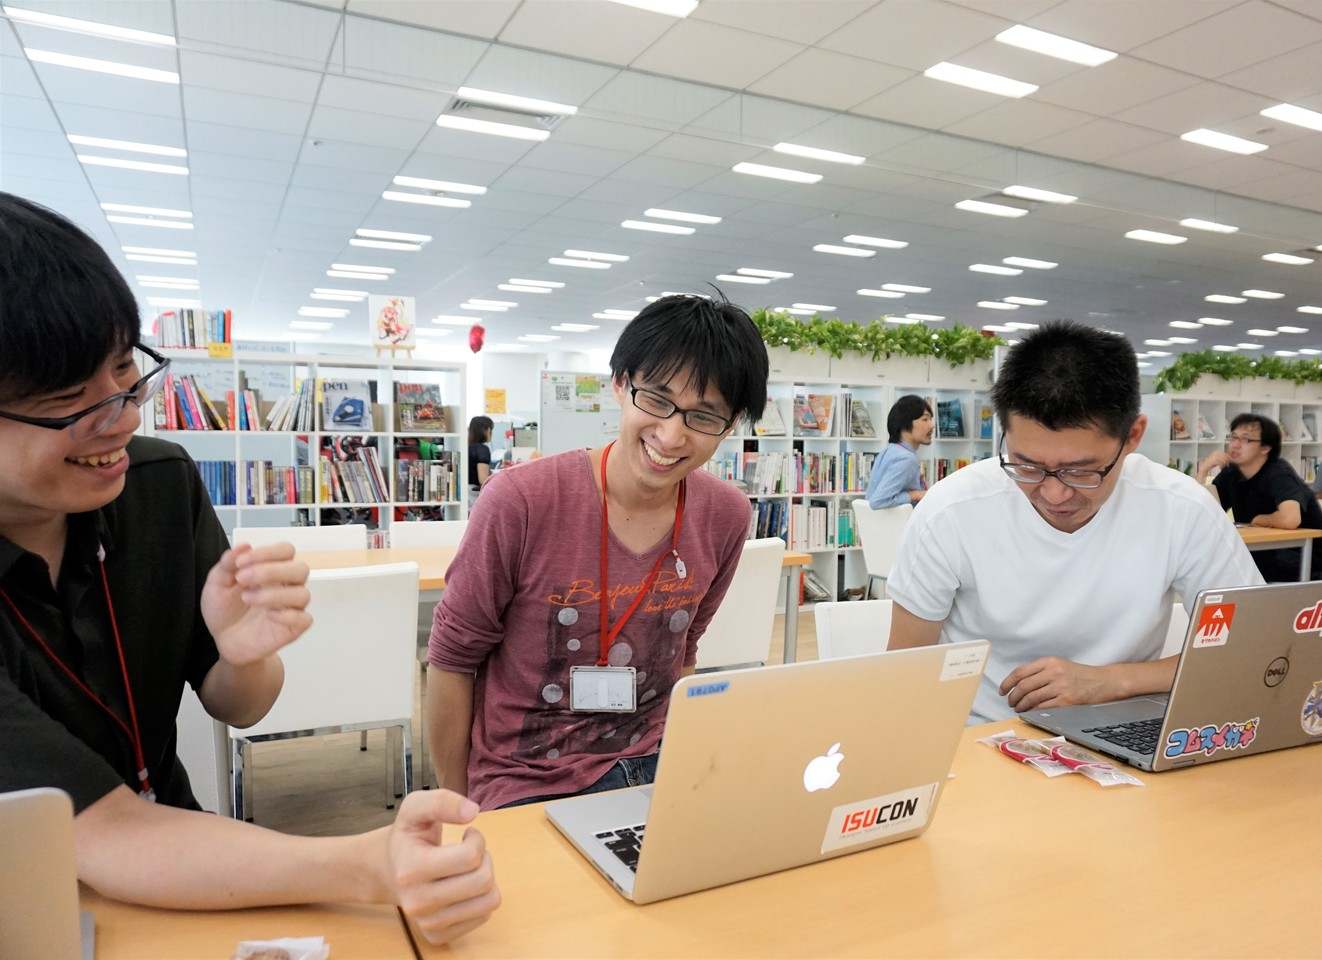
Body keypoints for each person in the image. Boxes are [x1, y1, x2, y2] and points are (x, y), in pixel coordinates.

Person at [0, 193, 499, 945]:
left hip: (187, 858)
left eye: (126, 372)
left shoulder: (157, 485)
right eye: (71, 400)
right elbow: (100, 831)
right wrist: (369, 864)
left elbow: (242, 706)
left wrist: (244, 654)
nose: (124, 418)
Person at [427, 295, 769, 811]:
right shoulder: (521, 500)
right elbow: (452, 660)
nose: (671, 435)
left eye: (703, 416)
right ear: (620, 384)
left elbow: (684, 652)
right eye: (656, 399)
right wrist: (457, 812)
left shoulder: (726, 515)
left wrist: (689, 766)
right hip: (527, 779)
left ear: (732, 422)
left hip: (660, 763)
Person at [885, 320, 1263, 724]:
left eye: (1081, 471)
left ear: (1132, 436)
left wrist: (1111, 681)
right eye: (1027, 465)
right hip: (984, 734)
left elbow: (1250, 647)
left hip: (1123, 729)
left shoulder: (1182, 509)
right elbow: (904, 674)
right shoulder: (952, 511)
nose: (1054, 494)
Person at [1197, 413, 1322, 581]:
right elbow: (1203, 513)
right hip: (1262, 555)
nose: (1235, 445)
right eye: (1233, 437)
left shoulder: (1279, 473)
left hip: (1303, 561)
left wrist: (1260, 519)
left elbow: (1290, 519)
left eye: (1245, 439)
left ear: (1265, 448)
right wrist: (1203, 470)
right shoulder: (1231, 473)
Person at [865, 394, 933, 508]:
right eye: (925, 419)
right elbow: (877, 501)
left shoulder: (890, 451)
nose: (932, 425)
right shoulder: (906, 459)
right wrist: (916, 494)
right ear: (905, 424)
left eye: (931, 419)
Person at [467, 415, 494, 505]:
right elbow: (483, 480)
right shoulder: (482, 449)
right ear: (488, 430)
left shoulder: (467, 447)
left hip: (465, 493)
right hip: (474, 496)